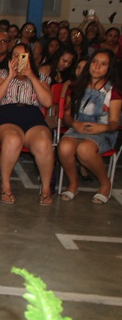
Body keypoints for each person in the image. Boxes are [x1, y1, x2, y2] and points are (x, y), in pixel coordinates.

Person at [0, 43, 54, 205]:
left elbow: (47, 102)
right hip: (7, 118)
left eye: (23, 56)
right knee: (12, 140)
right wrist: (10, 77)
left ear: (30, 59)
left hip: (33, 118)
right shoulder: (1, 73)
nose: (18, 59)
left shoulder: (41, 76)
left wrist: (31, 76)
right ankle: (5, 186)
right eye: (15, 56)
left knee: (43, 142)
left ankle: (46, 189)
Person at [58, 49, 121, 205]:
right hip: (79, 127)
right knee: (64, 146)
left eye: (103, 64)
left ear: (110, 68)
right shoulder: (77, 86)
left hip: (103, 132)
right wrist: (74, 123)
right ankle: (73, 183)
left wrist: (102, 128)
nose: (97, 67)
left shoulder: (113, 92)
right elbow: (67, 115)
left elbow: (114, 123)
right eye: (94, 62)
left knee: (84, 150)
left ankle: (105, 183)